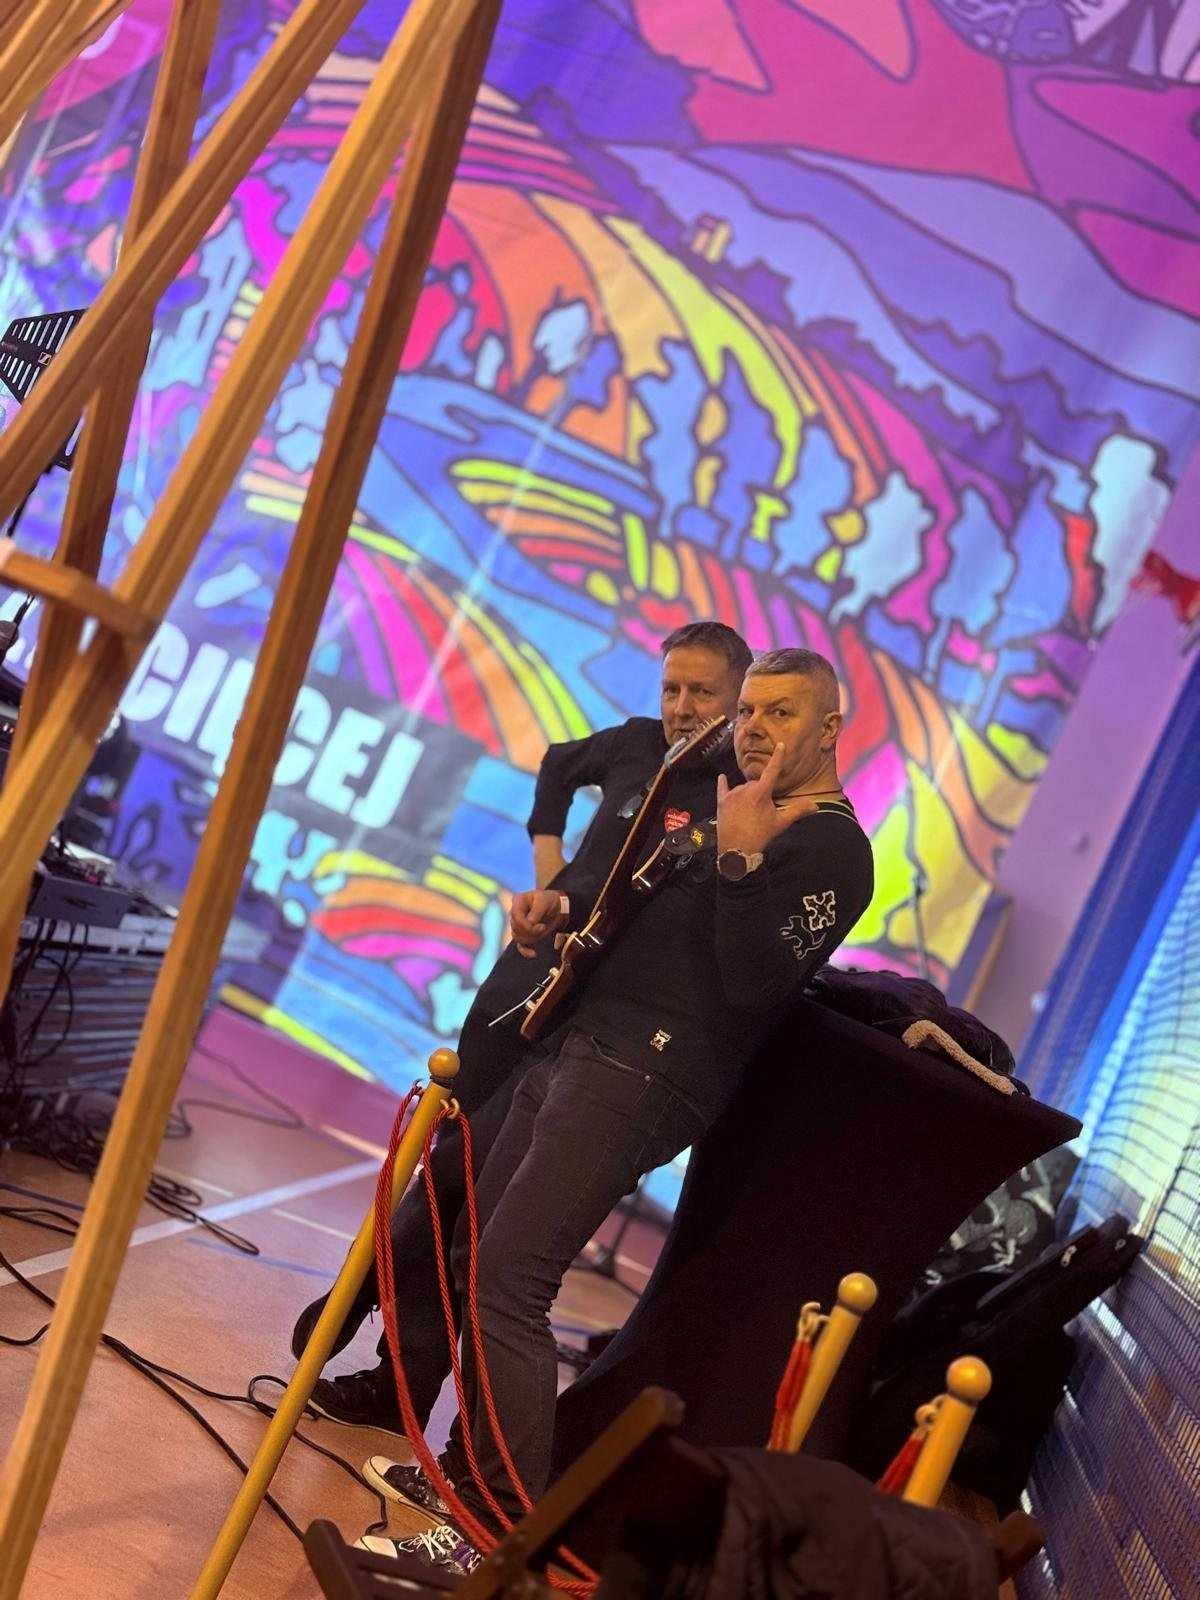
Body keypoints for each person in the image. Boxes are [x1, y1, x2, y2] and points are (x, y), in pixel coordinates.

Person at [365, 647, 875, 1571]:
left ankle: (495, 1535)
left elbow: (754, 982)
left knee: (510, 1281)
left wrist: (741, 858)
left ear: (831, 728)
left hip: (643, 1074)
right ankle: (467, 1480)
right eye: (748, 712)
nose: (755, 730)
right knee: (481, 1259)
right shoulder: (726, 797)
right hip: (577, 1045)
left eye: (781, 713)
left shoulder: (835, 849)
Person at [293, 622, 750, 1443]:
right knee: (443, 1173)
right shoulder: (636, 745)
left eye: (702, 692)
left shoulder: (736, 798)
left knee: (478, 1209)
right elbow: (556, 768)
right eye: (671, 688)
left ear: (740, 697)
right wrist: (549, 881)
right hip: (522, 984)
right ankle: (398, 1377)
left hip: (590, 1021)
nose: (682, 707)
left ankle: (413, 1374)